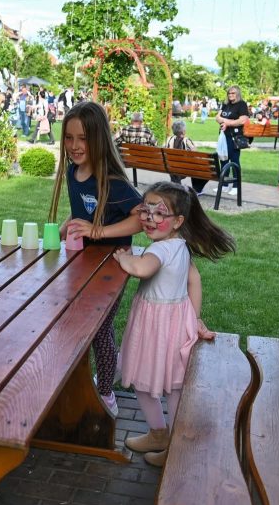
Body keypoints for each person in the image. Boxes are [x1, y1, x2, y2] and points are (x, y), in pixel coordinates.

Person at [115, 181, 235, 467]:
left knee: (160, 384)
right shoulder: (178, 245)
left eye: (160, 214)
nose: (150, 219)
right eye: (146, 211)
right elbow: (194, 280)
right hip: (169, 323)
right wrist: (193, 318)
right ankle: (161, 435)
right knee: (166, 384)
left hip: (158, 328)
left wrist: (126, 258)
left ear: (178, 221)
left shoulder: (160, 251)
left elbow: (142, 269)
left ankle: (175, 446)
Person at [59, 101, 144, 415]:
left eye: (82, 138)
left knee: (100, 329)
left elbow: (139, 219)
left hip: (114, 266)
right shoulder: (73, 172)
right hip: (81, 265)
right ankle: (81, 382)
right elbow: (84, 212)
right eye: (69, 138)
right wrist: (66, 228)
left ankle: (106, 391)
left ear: (98, 138)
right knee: (77, 325)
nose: (75, 146)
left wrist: (99, 232)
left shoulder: (113, 179)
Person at [216, 86, 250, 191]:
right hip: (223, 136)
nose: (231, 95)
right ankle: (224, 185)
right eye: (229, 93)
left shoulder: (242, 104)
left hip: (235, 137)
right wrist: (227, 121)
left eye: (233, 93)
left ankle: (236, 186)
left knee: (234, 160)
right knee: (223, 160)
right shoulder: (225, 104)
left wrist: (227, 123)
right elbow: (217, 117)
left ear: (238, 93)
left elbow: (243, 120)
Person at [164, 119, 207, 194]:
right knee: (203, 168)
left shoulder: (169, 139)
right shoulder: (186, 141)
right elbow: (196, 154)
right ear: (183, 131)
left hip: (171, 168)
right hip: (183, 170)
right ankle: (197, 189)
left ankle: (175, 185)